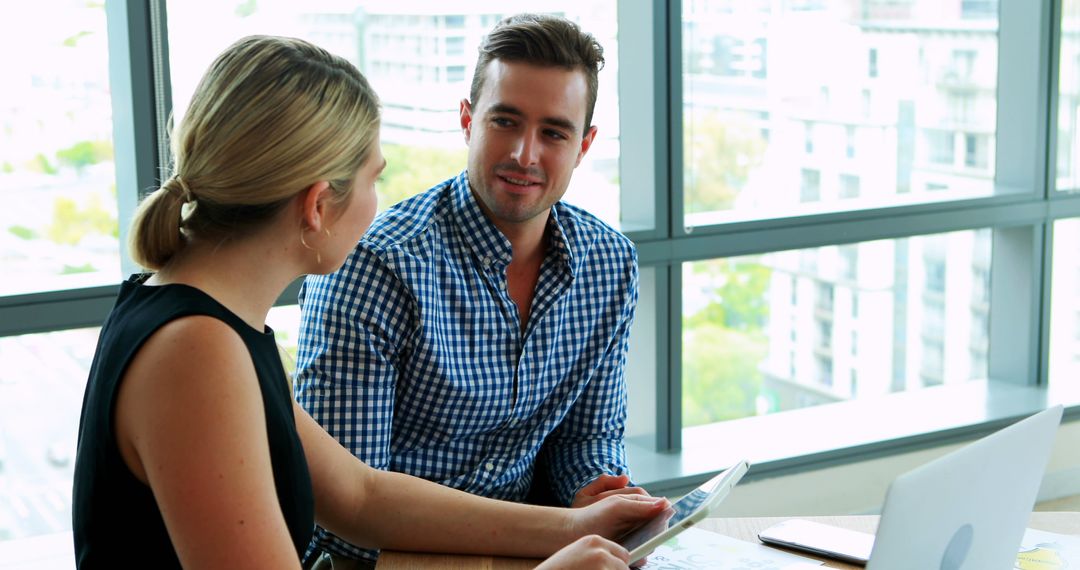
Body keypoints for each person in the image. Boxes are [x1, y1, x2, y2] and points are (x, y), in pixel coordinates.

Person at [70, 35, 668, 569]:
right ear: (316, 205)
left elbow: (357, 495)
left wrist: (573, 524)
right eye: (373, 178)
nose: (379, 204)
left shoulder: (213, 328)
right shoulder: (197, 352)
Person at [295, 13, 645, 565]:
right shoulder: (377, 265)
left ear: (584, 145)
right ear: (467, 120)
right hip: (392, 559)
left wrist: (594, 490)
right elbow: (344, 518)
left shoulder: (610, 263)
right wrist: (561, 530)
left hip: (536, 548)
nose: (524, 155)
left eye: (554, 132)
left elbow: (587, 436)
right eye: (505, 121)